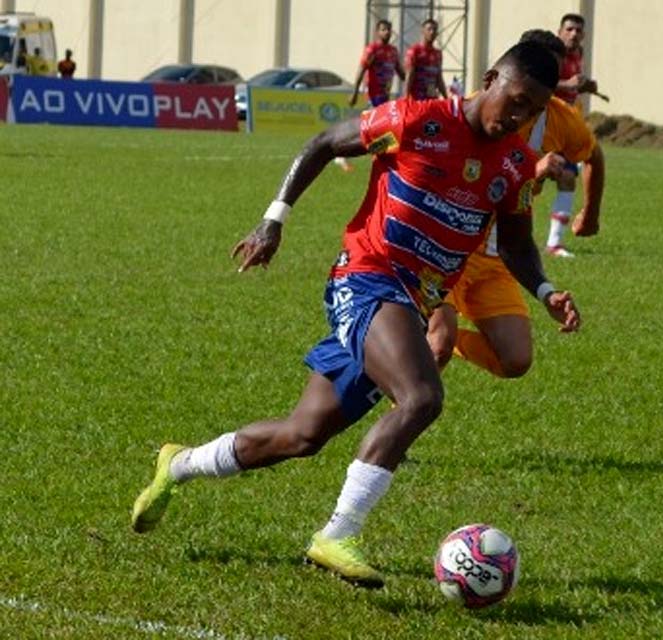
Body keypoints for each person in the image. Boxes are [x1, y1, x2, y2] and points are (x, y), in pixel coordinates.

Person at [130, 41, 579, 589]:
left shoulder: (511, 166)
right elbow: (322, 144)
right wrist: (274, 219)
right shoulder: (419, 119)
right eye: (515, 98)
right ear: (491, 78)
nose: (519, 115)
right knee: (421, 396)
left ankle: (179, 465)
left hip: (410, 304)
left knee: (303, 435)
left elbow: (515, 243)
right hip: (365, 279)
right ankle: (339, 532)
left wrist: (545, 289)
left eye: (532, 109)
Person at [427, 29, 603, 378]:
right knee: (437, 348)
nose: (544, 81)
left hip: (496, 252)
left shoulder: (561, 118)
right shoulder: (487, 107)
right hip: (447, 246)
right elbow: (471, 176)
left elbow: (594, 155)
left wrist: (591, 213)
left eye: (550, 78)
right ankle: (414, 358)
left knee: (515, 360)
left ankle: (415, 340)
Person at [544, 13, 601, 257]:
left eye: (578, 30)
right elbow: (540, 82)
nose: (574, 34)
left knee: (567, 178)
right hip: (545, 124)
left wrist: (586, 85)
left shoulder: (578, 55)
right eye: (569, 29)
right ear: (559, 32)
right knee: (527, 181)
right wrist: (567, 84)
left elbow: (572, 86)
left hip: (567, 126)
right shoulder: (550, 54)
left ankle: (554, 243)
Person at [349, 20, 404, 108]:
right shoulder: (373, 49)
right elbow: (361, 70)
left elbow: (402, 74)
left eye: (389, 30)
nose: (387, 32)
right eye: (383, 30)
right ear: (377, 32)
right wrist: (355, 92)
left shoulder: (393, 51)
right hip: (374, 95)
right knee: (374, 118)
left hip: (386, 94)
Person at [404, 18, 446, 100]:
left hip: (432, 98)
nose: (432, 32)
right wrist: (406, 96)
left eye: (434, 30)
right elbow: (409, 76)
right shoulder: (414, 51)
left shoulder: (438, 53)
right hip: (417, 99)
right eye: (429, 29)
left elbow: (439, 78)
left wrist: (446, 97)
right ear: (423, 31)